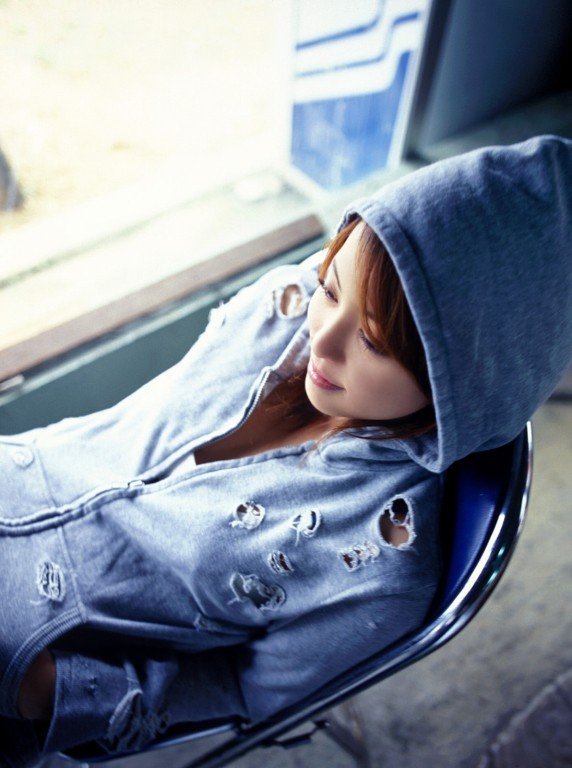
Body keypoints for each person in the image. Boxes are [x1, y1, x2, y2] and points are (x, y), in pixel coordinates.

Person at [1, 134, 571, 766]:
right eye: (331, 287)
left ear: (458, 383)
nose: (321, 340)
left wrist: (49, 688)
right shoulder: (281, 307)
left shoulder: (380, 569)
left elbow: (249, 693)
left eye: (373, 341)